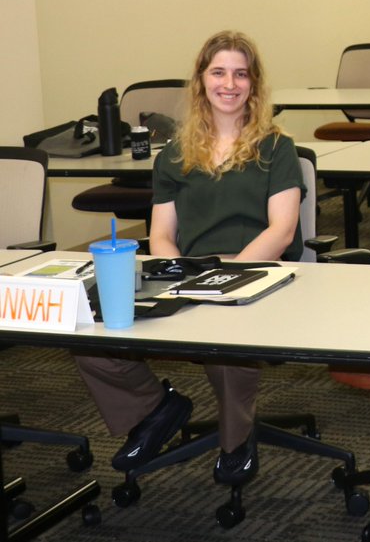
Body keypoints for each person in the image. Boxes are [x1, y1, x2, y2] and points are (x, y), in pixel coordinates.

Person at [75, 30, 305, 487]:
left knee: (226, 339)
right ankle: (154, 409)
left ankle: (237, 439)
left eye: (241, 74)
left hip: (258, 271)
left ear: (254, 84)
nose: (229, 84)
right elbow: (161, 234)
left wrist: (228, 280)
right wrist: (177, 276)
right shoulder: (175, 155)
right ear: (201, 80)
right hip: (191, 272)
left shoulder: (277, 147)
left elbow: (281, 231)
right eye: (218, 72)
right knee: (90, 332)